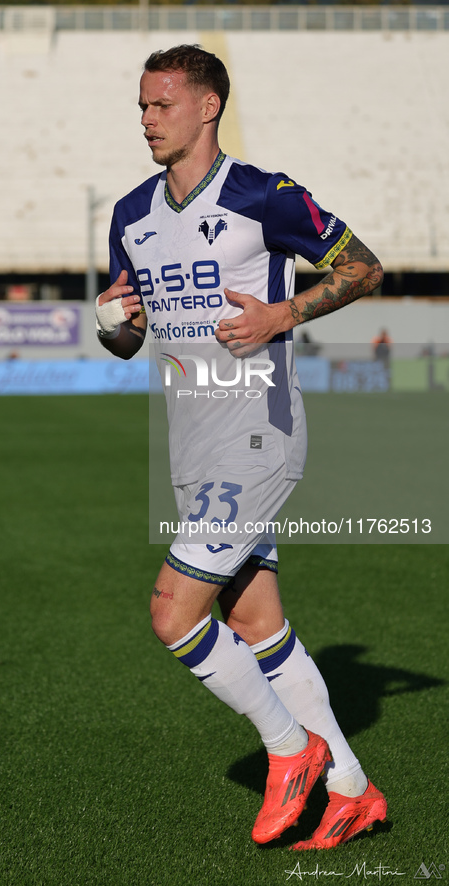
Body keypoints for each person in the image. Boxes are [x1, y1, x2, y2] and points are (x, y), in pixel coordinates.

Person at [95, 44, 386, 849]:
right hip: (189, 443)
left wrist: (278, 315)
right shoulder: (130, 214)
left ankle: (291, 752)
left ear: (207, 106)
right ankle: (353, 792)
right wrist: (111, 325)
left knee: (170, 613)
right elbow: (130, 334)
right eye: (142, 105)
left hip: (257, 435)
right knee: (256, 623)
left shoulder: (264, 195)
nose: (146, 119)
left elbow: (363, 268)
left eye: (161, 105)